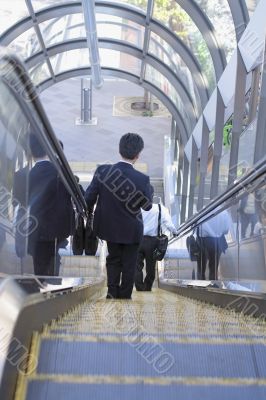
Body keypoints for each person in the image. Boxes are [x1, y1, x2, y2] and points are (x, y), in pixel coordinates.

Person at [85, 133, 153, 299]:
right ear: (137, 155)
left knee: (113, 258)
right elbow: (147, 205)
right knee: (130, 263)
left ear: (119, 150)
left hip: (108, 227)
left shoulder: (103, 171)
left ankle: (111, 291)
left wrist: (88, 214)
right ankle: (125, 295)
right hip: (132, 229)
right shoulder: (142, 179)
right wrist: (148, 189)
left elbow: (89, 198)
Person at [28, 134, 74, 276]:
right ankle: (52, 284)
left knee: (39, 262)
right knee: (54, 257)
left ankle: (41, 287)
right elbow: (77, 194)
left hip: (35, 229)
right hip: (58, 230)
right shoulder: (61, 173)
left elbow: (21, 203)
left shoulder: (26, 175)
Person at [135, 198, 178, 291]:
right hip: (152, 241)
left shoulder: (137, 207)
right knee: (151, 266)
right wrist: (175, 232)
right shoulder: (160, 208)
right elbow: (168, 223)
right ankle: (147, 286)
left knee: (137, 265)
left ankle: (139, 286)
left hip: (137, 240)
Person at [197, 209, 231, 281]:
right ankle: (213, 285)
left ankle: (200, 286)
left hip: (204, 241)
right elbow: (226, 230)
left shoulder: (202, 211)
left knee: (201, 267)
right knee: (214, 268)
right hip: (217, 241)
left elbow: (199, 228)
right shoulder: (224, 212)